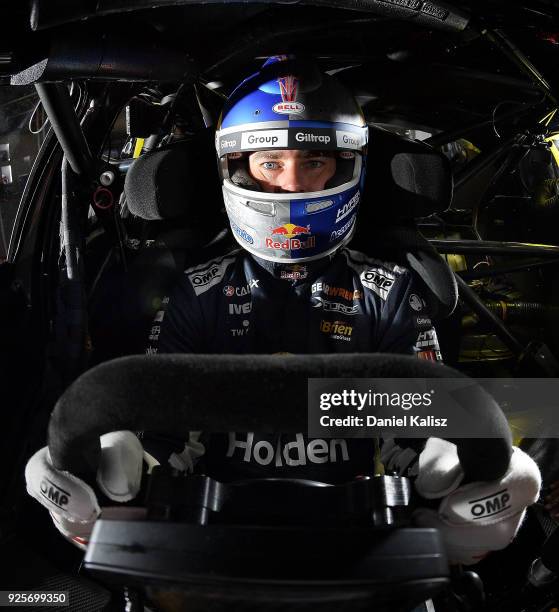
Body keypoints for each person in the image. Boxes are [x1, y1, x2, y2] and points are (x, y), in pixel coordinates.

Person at [26, 57, 540, 569]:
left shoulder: (387, 290)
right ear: (234, 167)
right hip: (213, 533)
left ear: (346, 168)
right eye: (270, 164)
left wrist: (466, 477)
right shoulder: (197, 290)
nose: (292, 186)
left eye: (313, 163)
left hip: (354, 535)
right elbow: (164, 436)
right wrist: (109, 480)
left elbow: (423, 432)